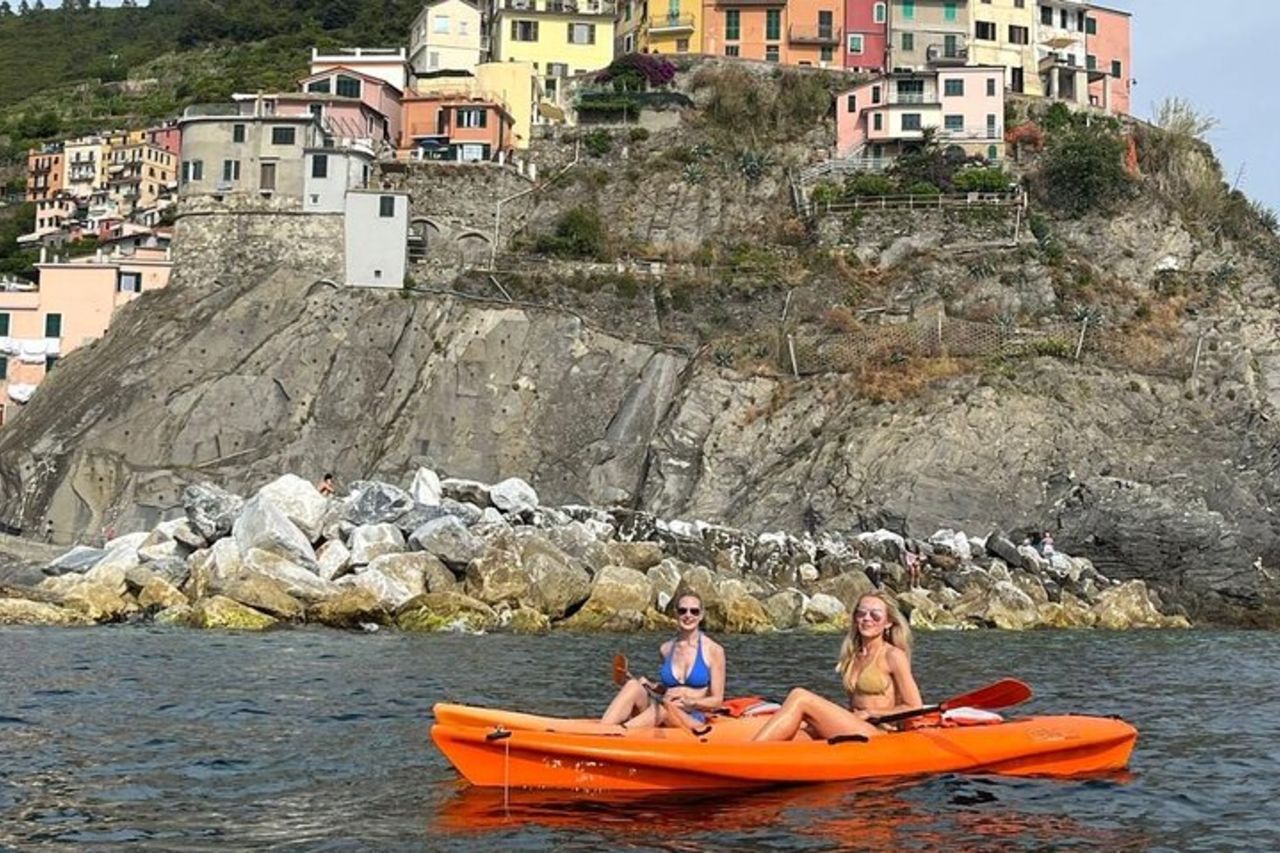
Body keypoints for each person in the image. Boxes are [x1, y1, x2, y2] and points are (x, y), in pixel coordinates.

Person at [751, 592, 923, 742]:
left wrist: (872, 712)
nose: (867, 619)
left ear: (888, 623)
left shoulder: (893, 656)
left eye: (875, 615)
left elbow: (914, 706)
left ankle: (752, 754)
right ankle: (752, 754)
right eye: (861, 613)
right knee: (797, 734)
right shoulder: (853, 654)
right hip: (855, 724)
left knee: (800, 696)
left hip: (878, 731)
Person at [601, 593, 726, 729]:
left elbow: (717, 700)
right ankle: (602, 729)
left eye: (694, 611)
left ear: (701, 615)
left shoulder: (714, 651)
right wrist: (651, 685)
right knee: (633, 685)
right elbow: (672, 688)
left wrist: (691, 702)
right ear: (676, 614)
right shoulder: (665, 649)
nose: (688, 615)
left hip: (692, 716)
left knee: (663, 709)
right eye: (682, 610)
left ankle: (619, 733)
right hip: (664, 707)